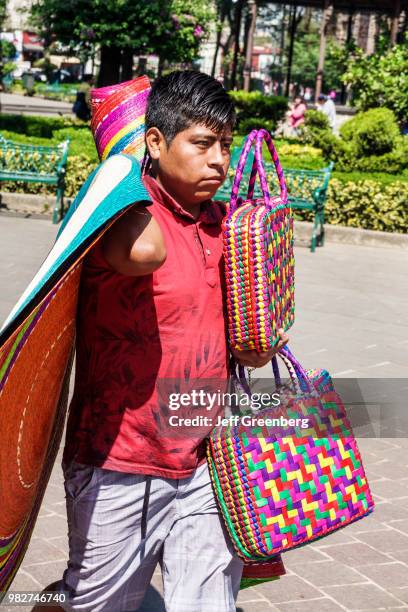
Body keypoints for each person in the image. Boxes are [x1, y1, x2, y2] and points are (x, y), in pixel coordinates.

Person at [54, 71, 289, 611]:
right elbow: (147, 254)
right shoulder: (118, 221)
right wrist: (126, 160)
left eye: (226, 145)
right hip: (122, 461)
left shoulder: (226, 225)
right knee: (95, 603)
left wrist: (259, 339)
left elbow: (254, 340)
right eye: (202, 144)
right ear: (155, 143)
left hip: (210, 462)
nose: (219, 162)